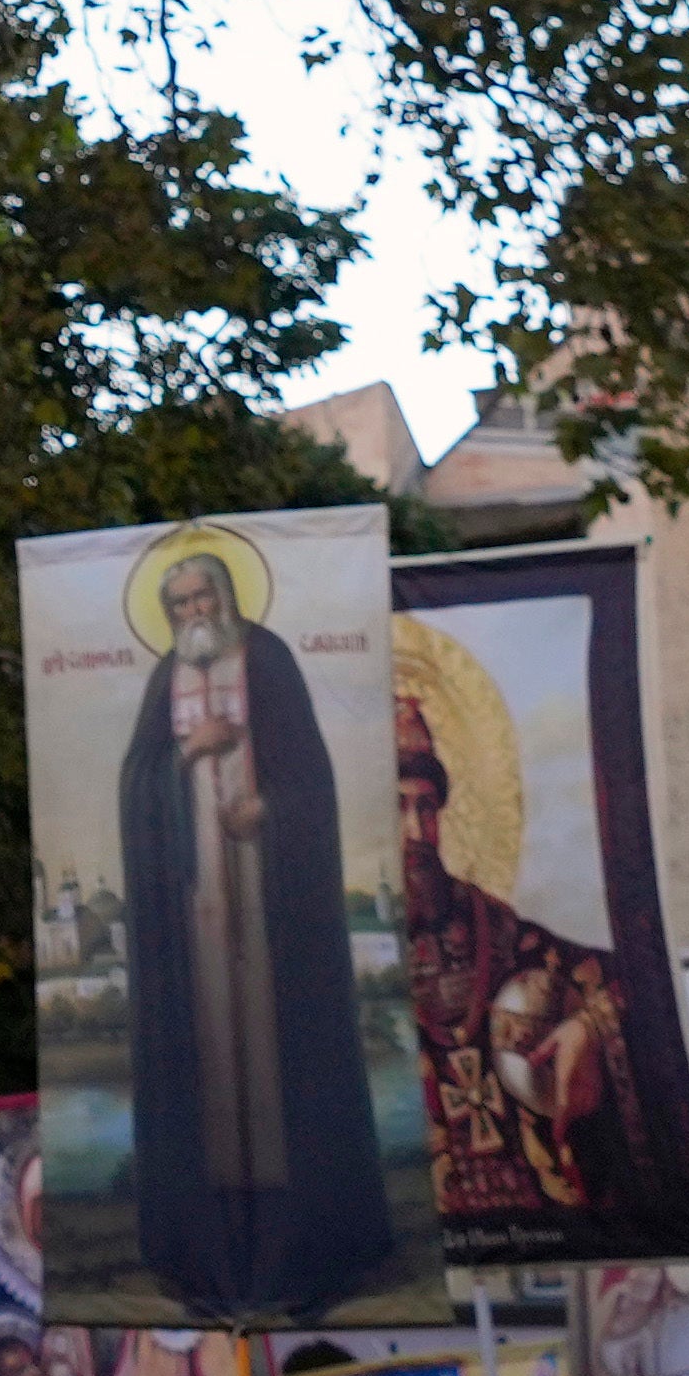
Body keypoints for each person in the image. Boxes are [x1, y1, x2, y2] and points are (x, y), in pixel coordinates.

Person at [116, 531, 404, 1313]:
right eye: (179, 603)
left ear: (229, 597)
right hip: (196, 915)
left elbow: (310, 773)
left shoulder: (267, 658)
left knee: (283, 1061)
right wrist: (184, 760)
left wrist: (269, 810)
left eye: (204, 596)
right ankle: (210, 1251)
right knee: (210, 1063)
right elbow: (138, 783)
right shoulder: (163, 679)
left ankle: (306, 1246)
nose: (194, 612)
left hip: (275, 910)